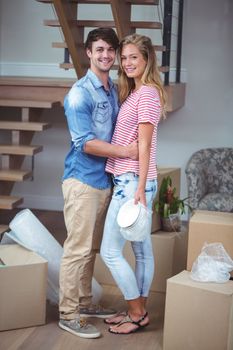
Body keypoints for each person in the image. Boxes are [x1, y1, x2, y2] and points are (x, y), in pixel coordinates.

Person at [59, 27, 138, 339]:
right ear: (89, 53)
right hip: (82, 182)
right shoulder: (80, 94)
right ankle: (68, 314)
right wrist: (126, 152)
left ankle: (85, 303)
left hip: (104, 182)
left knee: (90, 248)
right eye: (99, 49)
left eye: (110, 50)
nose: (106, 55)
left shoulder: (111, 89)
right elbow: (85, 143)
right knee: (77, 250)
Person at [100, 33, 166, 335]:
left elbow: (144, 144)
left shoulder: (148, 94)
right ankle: (137, 311)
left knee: (110, 252)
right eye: (123, 58)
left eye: (133, 57)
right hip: (133, 181)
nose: (126, 63)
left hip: (132, 184)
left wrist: (138, 188)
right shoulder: (136, 92)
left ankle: (137, 312)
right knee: (142, 252)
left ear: (147, 59)